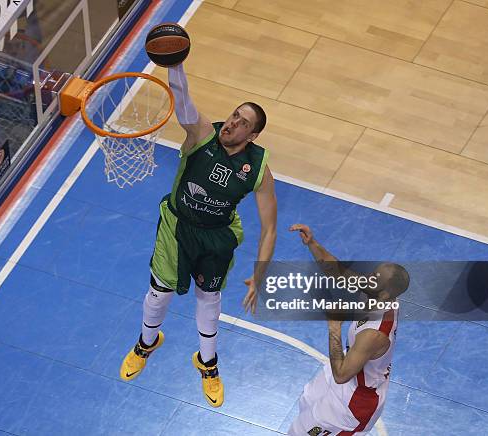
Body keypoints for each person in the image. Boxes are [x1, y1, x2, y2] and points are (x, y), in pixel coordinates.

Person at [119, 63, 277, 408]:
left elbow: (270, 228)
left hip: (216, 236)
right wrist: (174, 64)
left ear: (252, 137)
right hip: (177, 226)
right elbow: (183, 99)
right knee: (159, 294)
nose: (233, 123)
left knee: (209, 299)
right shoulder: (202, 134)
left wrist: (260, 274)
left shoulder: (259, 169)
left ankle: (207, 363)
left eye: (243, 123)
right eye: (234, 115)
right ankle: (147, 342)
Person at [288, 224, 409, 435]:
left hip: (353, 403)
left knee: (298, 432)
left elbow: (341, 374)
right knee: (307, 398)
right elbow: (337, 271)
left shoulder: (374, 334)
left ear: (386, 295)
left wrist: (334, 327)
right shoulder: (377, 291)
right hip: (350, 367)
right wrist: (312, 244)